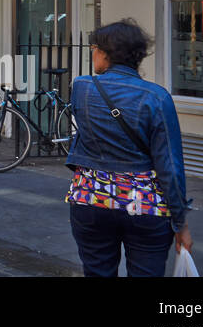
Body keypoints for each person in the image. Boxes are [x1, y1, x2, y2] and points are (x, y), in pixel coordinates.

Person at [66, 19, 192, 277]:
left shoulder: (81, 88)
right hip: (144, 205)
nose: (92, 53)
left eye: (94, 47)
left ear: (105, 53)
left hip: (91, 197)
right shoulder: (157, 97)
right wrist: (180, 222)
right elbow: (170, 166)